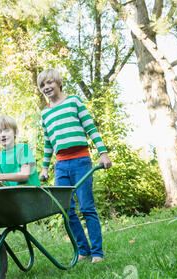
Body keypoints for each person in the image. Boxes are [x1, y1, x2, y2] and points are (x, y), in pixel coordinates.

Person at [37, 68, 112, 263]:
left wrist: (103, 153)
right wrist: (45, 168)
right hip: (61, 165)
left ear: (59, 83)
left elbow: (90, 127)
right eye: (42, 85)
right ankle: (83, 249)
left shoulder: (73, 101)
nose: (46, 87)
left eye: (49, 83)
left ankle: (97, 252)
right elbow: (48, 143)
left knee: (87, 207)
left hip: (81, 161)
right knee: (65, 209)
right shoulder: (45, 114)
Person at [0, 115, 41, 187]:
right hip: (14, 196)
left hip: (32, 193)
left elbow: (24, 175)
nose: (3, 134)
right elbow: (1, 182)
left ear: (15, 132)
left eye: (7, 130)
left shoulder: (23, 148)